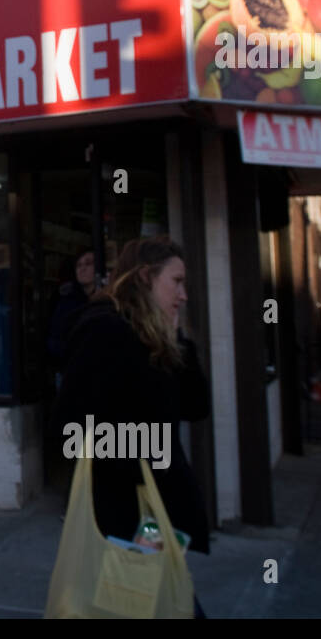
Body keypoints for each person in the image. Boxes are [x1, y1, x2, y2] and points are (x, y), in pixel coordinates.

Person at [54, 236, 211, 618]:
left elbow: (196, 406)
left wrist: (178, 340)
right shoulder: (105, 331)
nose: (183, 294)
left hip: (154, 519)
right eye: (176, 282)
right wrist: (139, 471)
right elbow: (72, 430)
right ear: (145, 276)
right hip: (129, 520)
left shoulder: (154, 335)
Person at [47, 249, 98, 369]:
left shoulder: (110, 298)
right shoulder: (67, 301)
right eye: (78, 265)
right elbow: (55, 339)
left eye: (88, 263)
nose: (82, 268)